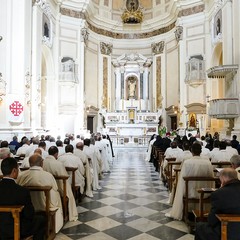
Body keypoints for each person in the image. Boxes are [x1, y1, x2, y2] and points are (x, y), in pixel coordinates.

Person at [165, 142, 214, 220]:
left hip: (189, 191)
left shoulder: (187, 162)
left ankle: (188, 211)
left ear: (192, 151)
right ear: (200, 151)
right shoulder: (207, 162)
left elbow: (182, 179)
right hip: (204, 192)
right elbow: (212, 178)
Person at [0, 157, 45, 239]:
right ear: (14, 171)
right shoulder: (22, 191)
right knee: (40, 220)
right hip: (16, 228)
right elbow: (29, 214)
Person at [17, 154, 64, 233]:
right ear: (42, 163)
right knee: (56, 195)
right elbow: (55, 190)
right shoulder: (48, 175)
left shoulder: (21, 175)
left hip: (27, 206)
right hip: (45, 205)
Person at [195, 168, 240, 240]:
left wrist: (221, 189)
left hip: (228, 232)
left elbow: (212, 221)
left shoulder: (219, 194)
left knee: (200, 227)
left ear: (223, 178)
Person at [43, 146, 78, 221]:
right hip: (58, 187)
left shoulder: (43, 162)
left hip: (44, 186)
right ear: (56, 154)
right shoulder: (58, 163)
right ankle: (67, 213)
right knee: (69, 193)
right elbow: (64, 176)